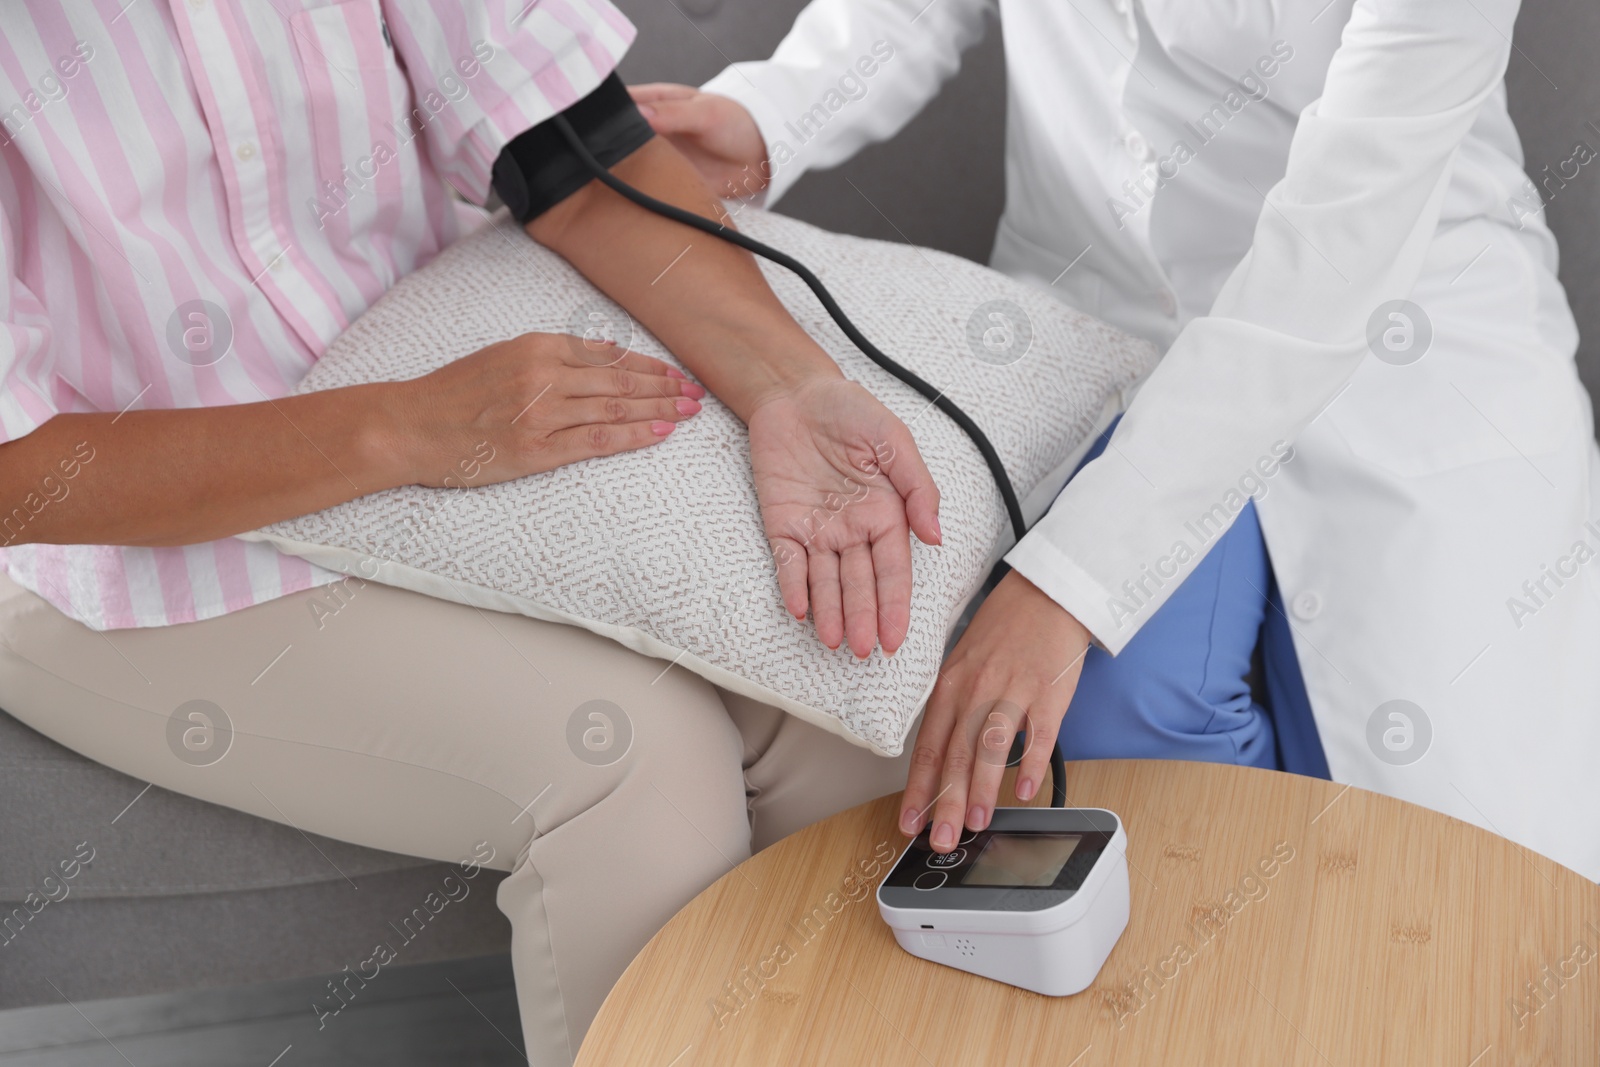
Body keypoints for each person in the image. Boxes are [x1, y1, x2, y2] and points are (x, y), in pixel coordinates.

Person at [0, 3, 939, 1062]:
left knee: (837, 687)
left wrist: (789, 387)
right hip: (118, 542)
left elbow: (573, 155)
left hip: (448, 375)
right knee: (631, 766)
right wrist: (403, 426)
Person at [635, 0, 1600, 881]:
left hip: (1404, 346)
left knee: (1463, 879)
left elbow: (1337, 255)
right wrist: (769, 116)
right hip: (1095, 333)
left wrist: (1067, 582)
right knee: (1110, 770)